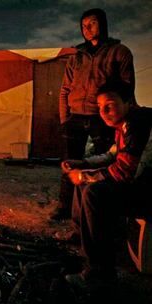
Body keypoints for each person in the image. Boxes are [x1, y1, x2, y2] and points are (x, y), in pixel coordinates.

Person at [62, 82, 152, 291]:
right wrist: (82, 165)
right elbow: (112, 155)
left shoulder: (139, 124)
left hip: (148, 190)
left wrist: (84, 177)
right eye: (100, 106)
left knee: (94, 192)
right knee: (85, 184)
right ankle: (83, 239)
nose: (103, 112)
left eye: (109, 105)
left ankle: (100, 273)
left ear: (129, 102)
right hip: (140, 184)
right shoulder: (125, 124)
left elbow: (124, 171)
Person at [52, 8, 136, 220]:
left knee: (106, 162)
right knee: (70, 162)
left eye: (92, 23)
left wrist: (120, 118)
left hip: (102, 117)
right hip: (75, 117)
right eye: (83, 26)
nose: (87, 29)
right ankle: (65, 207)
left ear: (103, 24)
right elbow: (64, 90)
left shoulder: (119, 52)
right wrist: (65, 118)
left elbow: (127, 87)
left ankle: (103, 209)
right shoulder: (76, 57)